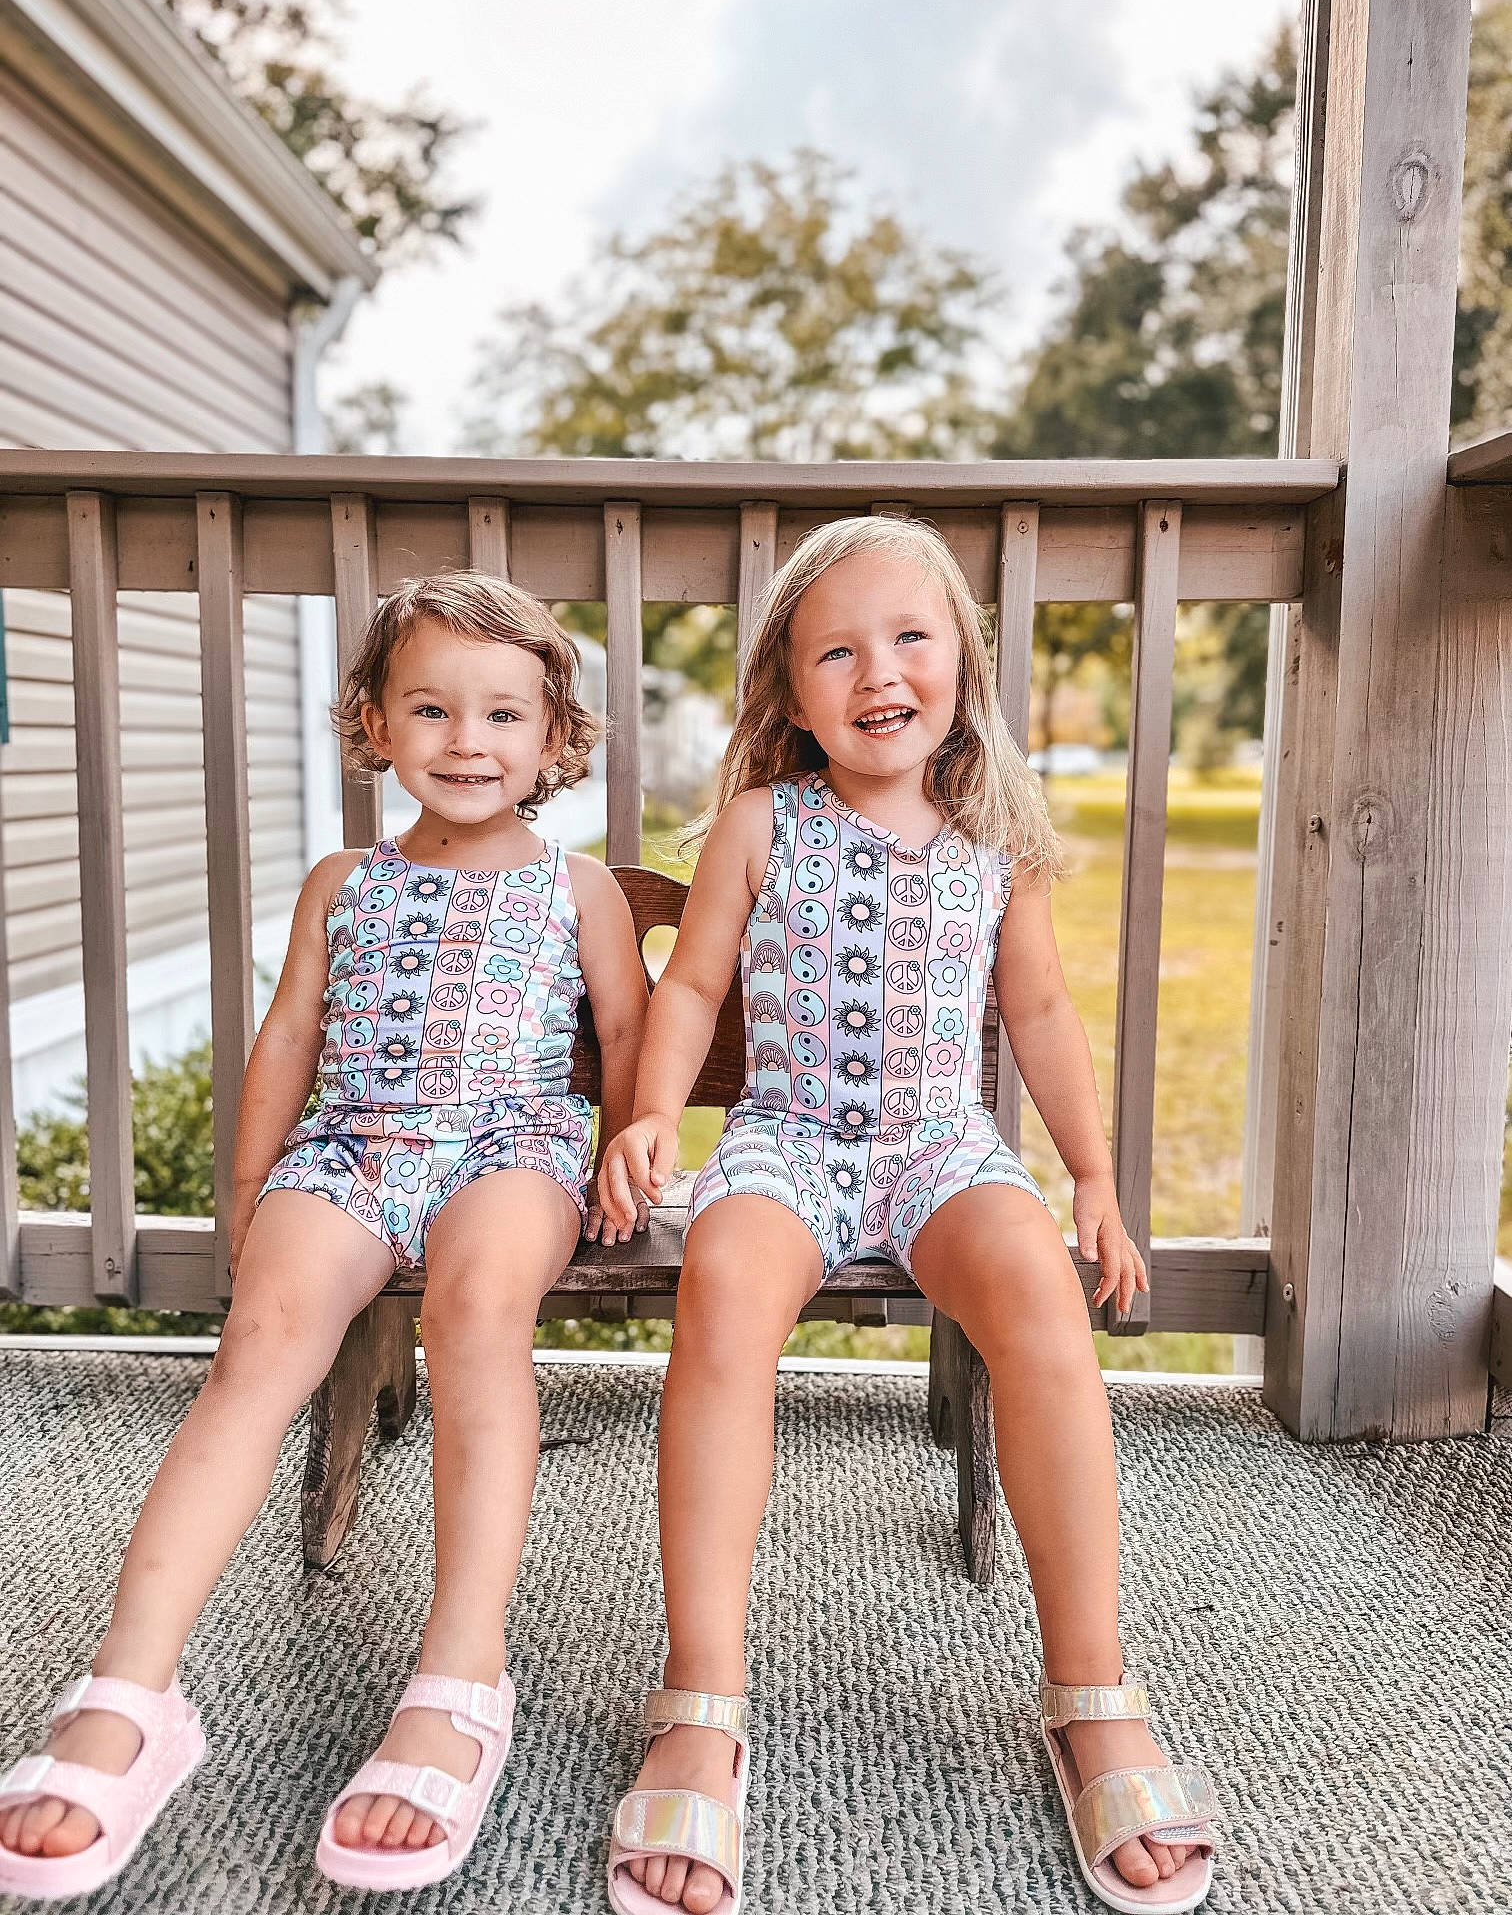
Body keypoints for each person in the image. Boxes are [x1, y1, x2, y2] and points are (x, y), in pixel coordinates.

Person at [595, 516, 1221, 1915]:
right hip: (792, 1139)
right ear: (790, 689)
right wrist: (649, 1113)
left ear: (961, 661)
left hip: (943, 1143)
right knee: (725, 1295)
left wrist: (1097, 1181)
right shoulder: (764, 824)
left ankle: (1093, 1689)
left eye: (910, 637)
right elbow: (692, 988)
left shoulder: (997, 835)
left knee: (1040, 1306)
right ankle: (701, 1691)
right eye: (838, 649)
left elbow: (1043, 1013)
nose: (879, 670)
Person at [0, 573, 649, 1898]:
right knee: (263, 1342)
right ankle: (132, 1691)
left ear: (553, 739)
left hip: (508, 1148)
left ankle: (461, 1675)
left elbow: (631, 1036)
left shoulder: (580, 888)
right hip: (350, 1145)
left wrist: (636, 1144)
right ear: (373, 722)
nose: (468, 739)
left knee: (478, 1320)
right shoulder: (342, 878)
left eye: (504, 714)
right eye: (431, 707)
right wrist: (251, 1189)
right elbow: (289, 1035)